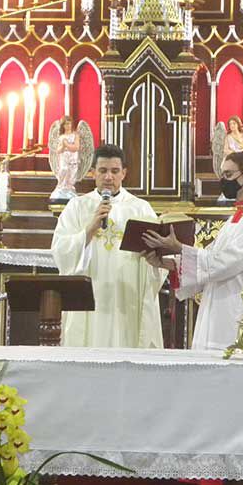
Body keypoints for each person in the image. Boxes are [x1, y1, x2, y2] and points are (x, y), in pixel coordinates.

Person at [141, 151, 243, 351]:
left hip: (242, 312)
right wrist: (165, 263)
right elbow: (210, 258)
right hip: (222, 307)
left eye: (228, 175)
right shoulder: (236, 218)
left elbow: (223, 263)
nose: (223, 181)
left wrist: (178, 247)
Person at [51, 144, 166, 348]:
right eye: (103, 170)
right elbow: (60, 251)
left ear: (124, 173)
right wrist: (89, 230)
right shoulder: (77, 206)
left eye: (114, 171)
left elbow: (158, 256)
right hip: (90, 293)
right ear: (93, 172)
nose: (108, 177)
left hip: (127, 296)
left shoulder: (140, 208)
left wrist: (154, 259)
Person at [50, 116, 81, 200]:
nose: (68, 126)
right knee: (64, 169)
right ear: (63, 126)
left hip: (72, 157)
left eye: (69, 123)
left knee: (71, 173)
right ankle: (61, 186)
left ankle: (69, 188)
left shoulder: (75, 135)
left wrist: (66, 144)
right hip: (64, 157)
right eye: (66, 124)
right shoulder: (61, 137)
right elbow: (58, 150)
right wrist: (63, 146)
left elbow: (76, 148)